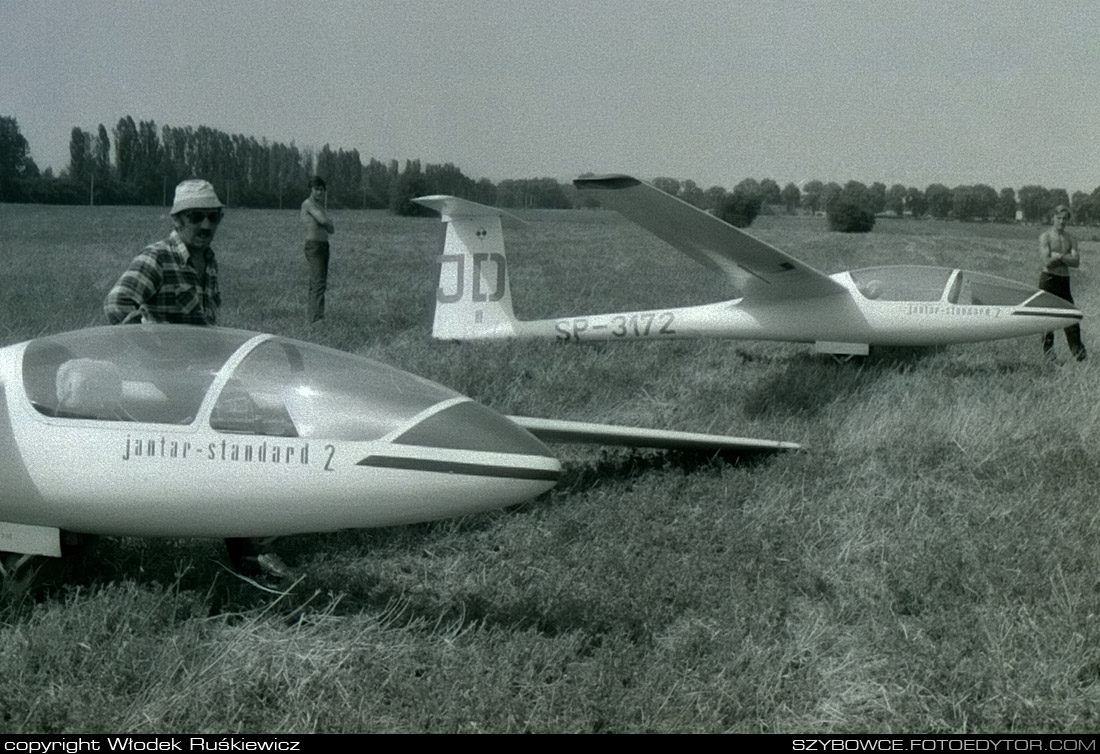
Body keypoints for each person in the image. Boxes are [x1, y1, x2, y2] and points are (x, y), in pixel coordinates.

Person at [103, 179, 295, 580]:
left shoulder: (208, 260)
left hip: (205, 376)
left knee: (279, 420)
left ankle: (269, 525)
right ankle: (250, 551)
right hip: (167, 379)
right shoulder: (157, 257)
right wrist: (159, 352)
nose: (206, 225)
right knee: (242, 431)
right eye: (196, 217)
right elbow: (117, 303)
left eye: (213, 217)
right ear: (177, 219)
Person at [1039, 204, 1086, 361]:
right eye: (1058, 218)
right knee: (1046, 318)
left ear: (1068, 220)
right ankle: (1049, 355)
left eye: (1064, 218)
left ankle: (1079, 356)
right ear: (1053, 218)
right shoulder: (1045, 237)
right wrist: (1065, 258)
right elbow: (1046, 262)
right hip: (1049, 280)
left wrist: (1058, 256)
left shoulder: (1071, 239)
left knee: (1071, 317)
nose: (1061, 221)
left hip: (1064, 281)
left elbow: (1076, 262)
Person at [300, 176, 335, 322]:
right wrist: (327, 223)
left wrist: (327, 224)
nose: (319, 192)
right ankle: (316, 319)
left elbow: (331, 228)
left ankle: (314, 315)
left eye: (322, 189)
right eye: (316, 189)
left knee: (319, 282)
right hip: (314, 246)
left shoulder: (320, 206)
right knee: (318, 282)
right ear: (311, 190)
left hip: (323, 245)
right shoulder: (308, 204)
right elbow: (324, 220)